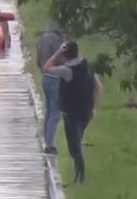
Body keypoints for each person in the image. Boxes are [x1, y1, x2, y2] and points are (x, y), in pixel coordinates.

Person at [43, 41, 102, 183]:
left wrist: (57, 52)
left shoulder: (66, 70)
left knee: (73, 146)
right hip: (86, 111)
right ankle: (79, 175)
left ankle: (80, 176)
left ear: (65, 54)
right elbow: (99, 87)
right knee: (77, 141)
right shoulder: (87, 66)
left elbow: (46, 68)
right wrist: (94, 108)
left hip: (72, 113)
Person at [36, 20, 66, 154]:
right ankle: (50, 145)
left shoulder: (41, 38)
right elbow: (60, 58)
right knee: (55, 112)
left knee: (49, 110)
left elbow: (38, 61)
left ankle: (45, 139)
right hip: (55, 78)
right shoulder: (56, 39)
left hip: (45, 77)